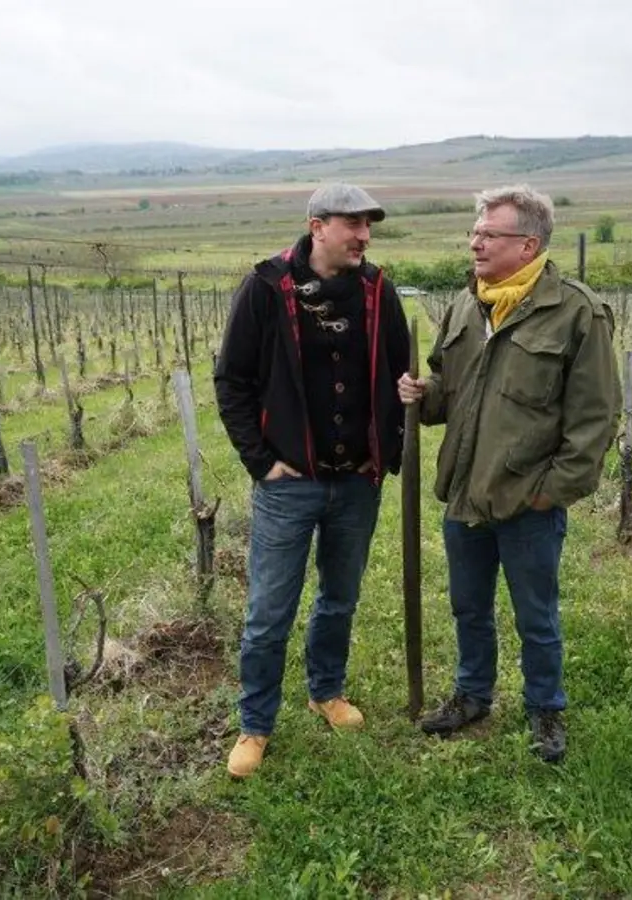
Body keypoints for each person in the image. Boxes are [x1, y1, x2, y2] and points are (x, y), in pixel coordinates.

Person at [396, 184, 618, 763]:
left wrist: (550, 493)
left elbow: (594, 419)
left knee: (535, 614)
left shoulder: (576, 312)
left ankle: (545, 708)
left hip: (528, 501)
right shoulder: (466, 304)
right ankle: (473, 695)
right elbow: (449, 391)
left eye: (488, 234)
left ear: (528, 243)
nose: (474, 243)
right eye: (474, 232)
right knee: (468, 605)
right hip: (466, 492)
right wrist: (422, 395)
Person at [214, 183, 412, 778]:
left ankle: (325, 691)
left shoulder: (378, 291)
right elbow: (233, 381)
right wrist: (262, 462)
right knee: (269, 611)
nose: (364, 235)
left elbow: (401, 370)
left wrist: (395, 433)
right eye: (353, 223)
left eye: (369, 225)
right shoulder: (267, 288)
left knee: (339, 599)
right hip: (289, 483)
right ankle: (255, 725)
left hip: (357, 482)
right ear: (317, 225)